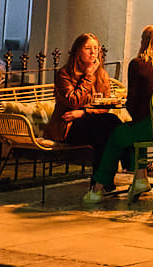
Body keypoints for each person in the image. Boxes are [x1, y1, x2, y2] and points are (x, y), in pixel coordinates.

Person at [86, 25, 153, 207]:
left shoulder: (138, 64)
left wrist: (133, 108)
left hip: (150, 126)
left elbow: (133, 103)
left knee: (117, 135)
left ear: (144, 41)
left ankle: (98, 189)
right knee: (130, 133)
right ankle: (140, 178)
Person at [47, 34, 123, 169]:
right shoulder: (64, 74)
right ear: (78, 51)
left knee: (107, 130)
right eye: (88, 48)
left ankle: (101, 178)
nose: (93, 52)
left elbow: (105, 105)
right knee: (110, 125)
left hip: (92, 121)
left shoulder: (102, 74)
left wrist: (83, 112)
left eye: (96, 48)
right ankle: (132, 166)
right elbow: (73, 102)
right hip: (68, 127)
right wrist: (88, 76)